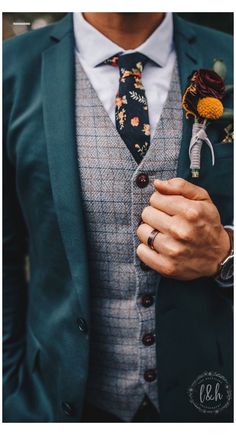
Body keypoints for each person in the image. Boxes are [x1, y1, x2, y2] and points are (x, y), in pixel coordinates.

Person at [3, 12, 233, 423]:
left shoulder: (228, 57)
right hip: (56, 402)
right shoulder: (11, 68)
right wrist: (8, 393)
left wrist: (227, 249)